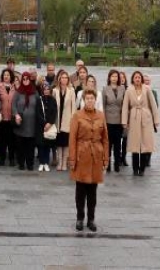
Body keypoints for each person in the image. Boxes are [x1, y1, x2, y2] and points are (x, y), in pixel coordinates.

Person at [69, 88, 109, 233]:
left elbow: (105, 139)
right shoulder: (77, 116)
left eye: (92, 98)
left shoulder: (101, 116)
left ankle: (91, 219)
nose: (90, 101)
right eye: (88, 99)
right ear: (84, 100)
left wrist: (106, 157)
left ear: (95, 100)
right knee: (80, 190)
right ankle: (80, 218)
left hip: (96, 156)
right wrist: (72, 159)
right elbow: (72, 139)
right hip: (82, 155)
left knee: (93, 191)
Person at [122, 71, 159, 176]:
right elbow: (125, 107)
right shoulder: (129, 90)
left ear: (141, 79)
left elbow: (153, 105)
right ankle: (135, 168)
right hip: (133, 118)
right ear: (133, 79)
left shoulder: (147, 89)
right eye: (135, 77)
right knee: (134, 144)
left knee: (144, 144)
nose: (137, 79)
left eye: (139, 77)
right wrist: (124, 121)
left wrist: (156, 120)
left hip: (145, 118)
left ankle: (142, 169)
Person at [12, 72, 38, 171]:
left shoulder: (34, 92)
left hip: (32, 123)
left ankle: (30, 164)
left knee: (30, 146)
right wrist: (16, 114)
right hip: (21, 122)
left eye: (27, 79)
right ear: (22, 80)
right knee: (21, 145)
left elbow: (39, 105)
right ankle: (21, 163)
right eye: (24, 79)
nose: (26, 81)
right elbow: (13, 105)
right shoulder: (18, 92)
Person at [102, 69, 125, 172]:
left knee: (118, 144)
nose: (114, 78)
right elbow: (103, 105)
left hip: (119, 120)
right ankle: (108, 164)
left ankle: (117, 164)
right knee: (108, 144)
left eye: (116, 76)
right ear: (109, 78)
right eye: (113, 76)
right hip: (108, 120)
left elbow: (125, 105)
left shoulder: (122, 88)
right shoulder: (105, 89)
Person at [53, 70, 77, 171]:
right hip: (57, 120)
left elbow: (74, 107)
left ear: (68, 80)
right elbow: (53, 106)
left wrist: (73, 120)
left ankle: (64, 163)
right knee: (59, 142)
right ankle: (59, 162)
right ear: (59, 79)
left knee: (66, 143)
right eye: (62, 77)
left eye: (66, 78)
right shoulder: (55, 90)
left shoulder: (71, 91)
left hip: (67, 120)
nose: (64, 79)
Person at [0, 69, 16, 166]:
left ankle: (12, 158)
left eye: (8, 75)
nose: (6, 76)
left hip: (11, 118)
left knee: (11, 140)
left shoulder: (14, 87)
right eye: (4, 75)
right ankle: (2, 158)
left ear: (11, 76)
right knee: (2, 140)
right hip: (2, 118)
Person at [36, 82, 57, 172]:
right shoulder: (39, 99)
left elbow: (54, 113)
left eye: (48, 89)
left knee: (48, 146)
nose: (46, 91)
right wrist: (44, 124)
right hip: (41, 127)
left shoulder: (53, 100)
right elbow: (38, 113)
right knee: (41, 145)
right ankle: (41, 163)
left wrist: (49, 123)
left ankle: (46, 163)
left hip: (49, 126)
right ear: (42, 90)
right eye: (45, 89)